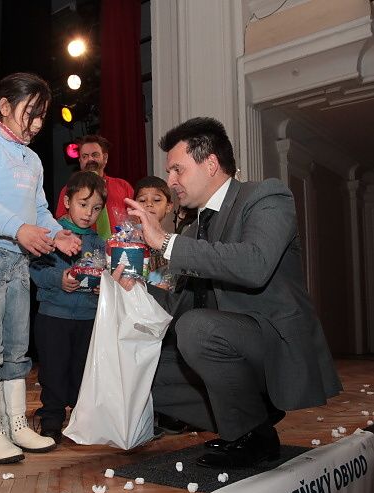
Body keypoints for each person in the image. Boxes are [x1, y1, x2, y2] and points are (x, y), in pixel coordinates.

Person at [119, 116, 341, 468]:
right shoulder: (193, 231)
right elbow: (179, 305)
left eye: (177, 170)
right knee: (141, 370)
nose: (171, 180)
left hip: (272, 342)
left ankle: (252, 431)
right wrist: (136, 287)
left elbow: (255, 264)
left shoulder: (266, 196)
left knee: (197, 328)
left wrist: (164, 242)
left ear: (210, 164)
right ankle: (251, 420)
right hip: (224, 343)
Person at [0, 72, 81, 464]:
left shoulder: (31, 158)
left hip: (18, 259)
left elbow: (40, 209)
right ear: (5, 106)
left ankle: (14, 424)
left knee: (16, 347)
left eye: (42, 115)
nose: (38, 123)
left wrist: (57, 234)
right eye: (31, 112)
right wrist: (19, 228)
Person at [30, 171, 107, 443]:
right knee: (53, 370)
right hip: (54, 316)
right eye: (83, 204)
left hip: (88, 318)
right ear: (67, 202)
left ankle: (79, 420)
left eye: (96, 208)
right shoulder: (53, 235)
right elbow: (36, 269)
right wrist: (58, 279)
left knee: (81, 371)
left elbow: (105, 277)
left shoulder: (99, 243)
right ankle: (51, 419)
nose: (88, 213)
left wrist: (102, 287)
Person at [54, 134, 134, 239]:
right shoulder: (69, 189)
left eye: (95, 155)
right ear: (80, 161)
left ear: (105, 158)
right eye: (85, 156)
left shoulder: (123, 186)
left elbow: (135, 221)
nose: (90, 159)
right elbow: (62, 224)